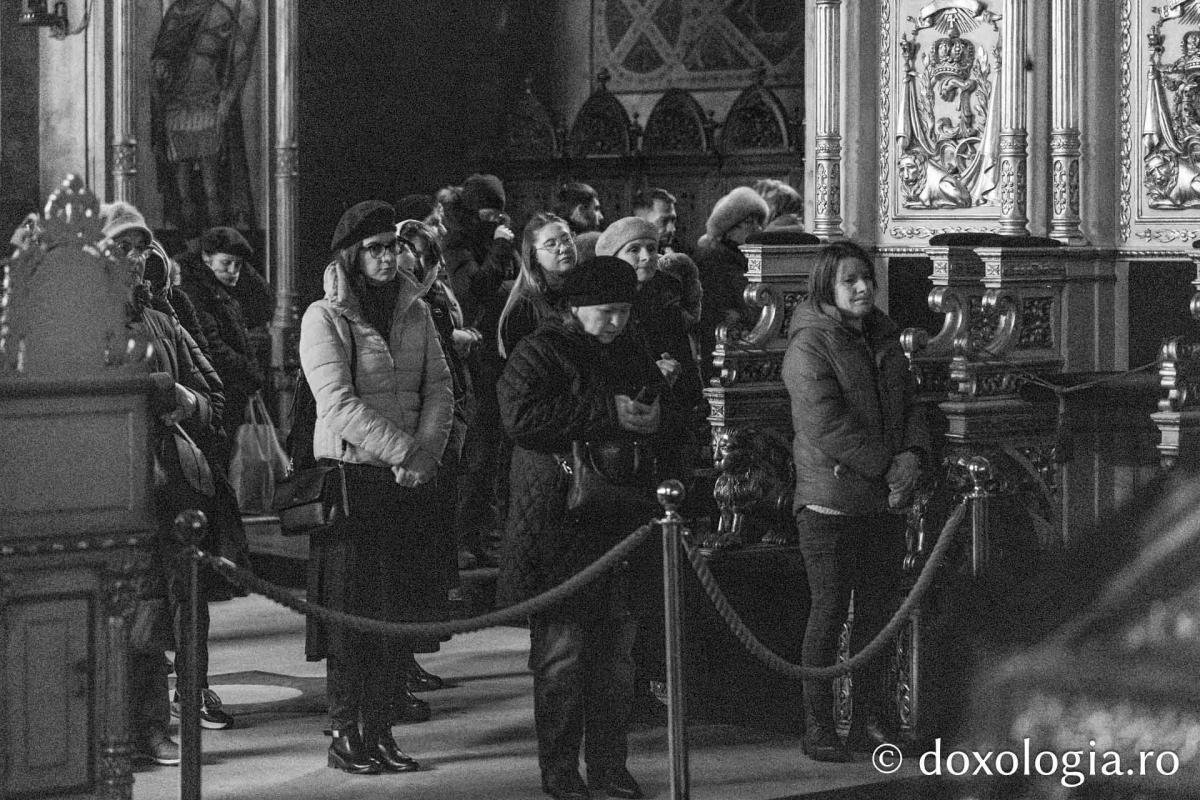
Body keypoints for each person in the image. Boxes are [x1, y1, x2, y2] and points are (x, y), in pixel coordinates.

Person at [497, 256, 682, 800]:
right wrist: (607, 411)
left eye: (625, 311)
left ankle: (609, 767)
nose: (617, 322)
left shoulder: (630, 347)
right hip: (558, 525)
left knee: (616, 661)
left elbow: (669, 411)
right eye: (607, 312)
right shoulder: (539, 351)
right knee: (563, 657)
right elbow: (518, 419)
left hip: (619, 523)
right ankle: (559, 771)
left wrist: (657, 416)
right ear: (577, 308)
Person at [300, 201, 454, 775]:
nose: (388, 258)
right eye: (375, 249)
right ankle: (346, 732)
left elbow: (440, 387)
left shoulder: (416, 310)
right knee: (352, 618)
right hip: (354, 481)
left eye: (393, 246)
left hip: (409, 480)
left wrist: (426, 454)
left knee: (396, 614)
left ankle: (382, 729)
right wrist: (406, 452)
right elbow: (336, 404)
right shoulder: (324, 316)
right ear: (352, 255)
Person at [781, 241, 929, 762]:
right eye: (850, 281)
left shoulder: (882, 334)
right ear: (827, 287)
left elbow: (910, 403)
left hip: (881, 499)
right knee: (828, 612)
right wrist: (889, 465)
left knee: (876, 613)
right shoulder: (810, 345)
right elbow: (825, 424)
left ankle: (869, 719)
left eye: (867, 278)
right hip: (831, 501)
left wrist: (913, 453)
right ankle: (819, 725)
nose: (864, 287)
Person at [100, 201, 226, 765]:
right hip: (111, 480)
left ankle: (163, 718)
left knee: (176, 600)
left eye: (139, 247)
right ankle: (127, 727)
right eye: (121, 246)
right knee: (130, 607)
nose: (133, 257)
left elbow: (214, 395)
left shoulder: (164, 319)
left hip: (171, 479)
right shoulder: (80, 319)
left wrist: (184, 398)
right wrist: (146, 387)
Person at [395, 217, 472, 697]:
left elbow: (443, 377)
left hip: (438, 434)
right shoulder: (410, 307)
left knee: (425, 559)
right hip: (407, 444)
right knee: (407, 563)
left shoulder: (433, 302)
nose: (416, 265)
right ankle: (398, 664)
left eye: (424, 256)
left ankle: (408, 658)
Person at [442, 175, 518, 567]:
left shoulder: (488, 240)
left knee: (493, 453)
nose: (495, 220)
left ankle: (484, 534)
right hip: (476, 359)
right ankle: (462, 537)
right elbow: (474, 290)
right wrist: (502, 248)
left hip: (499, 354)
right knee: (478, 450)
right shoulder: (457, 243)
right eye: (489, 213)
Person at [150, 0, 261, 235]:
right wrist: (161, 67)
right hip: (178, 109)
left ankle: (217, 244)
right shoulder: (175, 14)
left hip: (208, 108)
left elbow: (240, 59)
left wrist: (228, 99)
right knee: (183, 192)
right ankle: (190, 244)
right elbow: (161, 57)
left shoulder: (220, 13)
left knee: (212, 190)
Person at [176, 226, 275, 471]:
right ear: (206, 258)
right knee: (217, 463)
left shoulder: (218, 287)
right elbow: (212, 346)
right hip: (215, 393)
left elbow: (264, 303)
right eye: (226, 263)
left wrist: (241, 265)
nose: (233, 271)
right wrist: (249, 372)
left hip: (227, 389)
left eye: (238, 265)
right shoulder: (195, 291)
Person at [693, 186, 770, 382]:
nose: (758, 229)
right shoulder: (712, 260)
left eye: (759, 222)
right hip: (722, 345)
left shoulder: (745, 257)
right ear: (728, 229)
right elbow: (716, 310)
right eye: (749, 222)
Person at [497, 212, 578, 360]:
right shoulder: (523, 306)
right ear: (534, 255)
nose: (564, 248)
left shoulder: (581, 290)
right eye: (551, 244)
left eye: (567, 239)